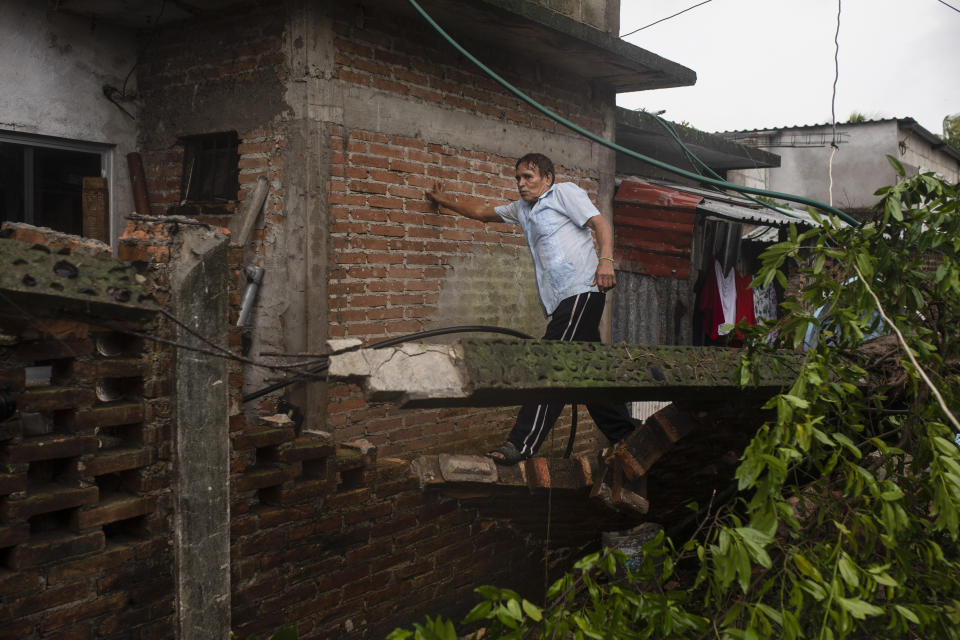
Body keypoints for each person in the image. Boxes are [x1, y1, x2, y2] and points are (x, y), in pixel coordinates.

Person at [426, 152, 636, 465]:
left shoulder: (563, 192)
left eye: (528, 177)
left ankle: (521, 444)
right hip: (563, 300)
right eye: (518, 178)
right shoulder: (522, 210)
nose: (522, 184)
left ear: (547, 178)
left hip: (580, 290)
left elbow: (599, 223)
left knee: (549, 364)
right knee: (589, 372)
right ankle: (627, 434)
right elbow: (482, 212)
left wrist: (606, 260)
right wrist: (445, 202)